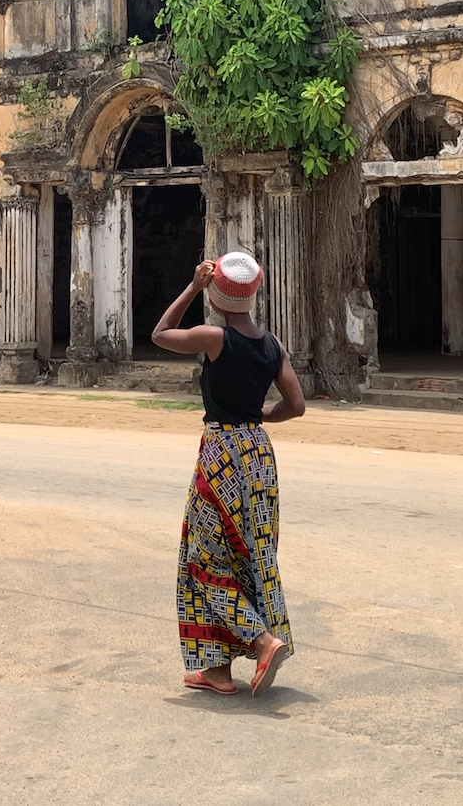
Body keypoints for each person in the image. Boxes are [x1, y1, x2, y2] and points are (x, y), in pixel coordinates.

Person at [151, 251, 306, 697]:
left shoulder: (215, 337)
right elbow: (295, 406)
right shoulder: (273, 345)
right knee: (248, 555)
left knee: (202, 559)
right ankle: (216, 671)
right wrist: (258, 415)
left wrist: (192, 287)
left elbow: (161, 334)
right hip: (258, 455)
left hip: (221, 452)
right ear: (254, 294)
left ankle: (261, 641)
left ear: (218, 295)